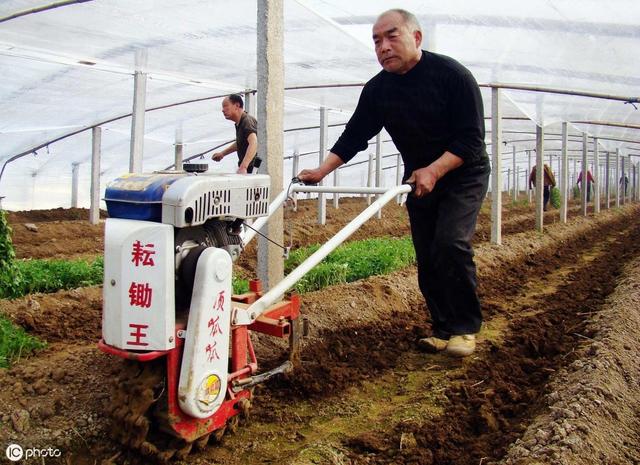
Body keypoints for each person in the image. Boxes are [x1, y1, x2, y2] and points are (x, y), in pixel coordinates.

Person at [297, 9, 490, 357]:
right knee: (428, 254)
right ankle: (443, 329)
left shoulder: (453, 76)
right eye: (376, 40)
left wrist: (435, 169)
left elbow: (471, 139)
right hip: (419, 177)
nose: (383, 46)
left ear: (416, 38)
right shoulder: (378, 90)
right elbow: (354, 135)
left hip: (463, 173)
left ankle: (464, 328)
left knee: (450, 244)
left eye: (391, 36)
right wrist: (322, 171)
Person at [211, 94, 258, 174]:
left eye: (225, 106)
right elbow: (241, 142)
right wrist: (222, 154)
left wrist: (243, 166)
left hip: (254, 170)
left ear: (237, 105)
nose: (223, 110)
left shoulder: (247, 121)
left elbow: (254, 142)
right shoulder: (240, 123)